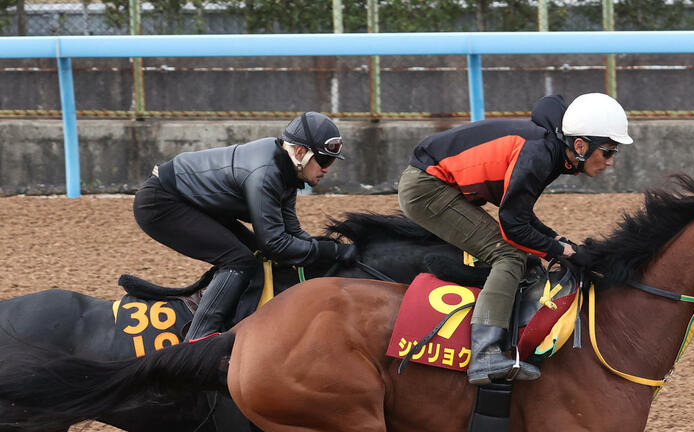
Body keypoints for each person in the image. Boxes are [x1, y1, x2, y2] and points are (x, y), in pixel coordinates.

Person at [397, 92, 631, 385]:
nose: (610, 162)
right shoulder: (539, 154)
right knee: (509, 255)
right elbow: (512, 226)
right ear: (581, 145)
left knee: (520, 252)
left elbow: (520, 214)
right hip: (427, 188)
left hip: (437, 183)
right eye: (608, 152)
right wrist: (561, 252)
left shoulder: (552, 148)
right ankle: (484, 354)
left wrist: (559, 241)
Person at [133, 111, 353, 341]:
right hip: (161, 203)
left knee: (254, 255)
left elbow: (293, 233)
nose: (327, 169)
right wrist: (336, 252)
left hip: (190, 201)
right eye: (324, 160)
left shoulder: (288, 172)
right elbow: (275, 244)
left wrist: (334, 249)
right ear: (300, 152)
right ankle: (198, 340)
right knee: (239, 260)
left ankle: (230, 317)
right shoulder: (267, 172)